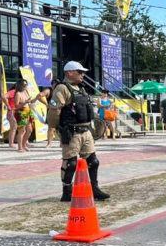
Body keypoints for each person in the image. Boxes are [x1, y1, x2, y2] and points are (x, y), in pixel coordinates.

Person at [47, 61, 110, 202]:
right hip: (71, 131)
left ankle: (94, 189)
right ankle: (67, 191)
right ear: (70, 72)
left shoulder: (81, 88)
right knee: (71, 163)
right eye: (79, 72)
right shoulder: (62, 88)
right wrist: (56, 128)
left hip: (86, 130)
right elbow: (54, 110)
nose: (82, 75)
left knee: (93, 161)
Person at [13, 79, 37, 153]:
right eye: (24, 85)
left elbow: (30, 101)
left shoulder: (26, 92)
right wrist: (25, 102)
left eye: (26, 84)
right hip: (21, 112)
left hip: (28, 111)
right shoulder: (18, 94)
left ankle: (23, 145)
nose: (25, 86)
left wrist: (37, 98)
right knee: (22, 131)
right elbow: (16, 106)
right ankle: (20, 147)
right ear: (20, 85)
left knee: (29, 130)